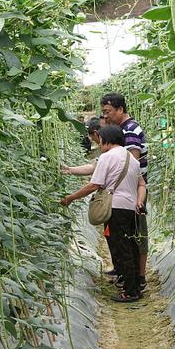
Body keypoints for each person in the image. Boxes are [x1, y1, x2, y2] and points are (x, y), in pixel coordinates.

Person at [60, 125, 146, 302]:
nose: (99, 144)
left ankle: (130, 292)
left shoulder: (107, 157)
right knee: (130, 246)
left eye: (100, 140)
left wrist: (71, 198)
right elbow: (140, 184)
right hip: (129, 208)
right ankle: (134, 285)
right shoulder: (133, 160)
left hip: (115, 207)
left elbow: (94, 185)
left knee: (122, 248)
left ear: (106, 140)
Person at [100, 93, 149, 291]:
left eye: (108, 112)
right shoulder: (125, 129)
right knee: (127, 237)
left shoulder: (129, 131)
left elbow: (129, 163)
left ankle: (138, 279)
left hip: (134, 192)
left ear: (120, 109)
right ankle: (130, 276)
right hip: (132, 191)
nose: (106, 116)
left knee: (134, 237)